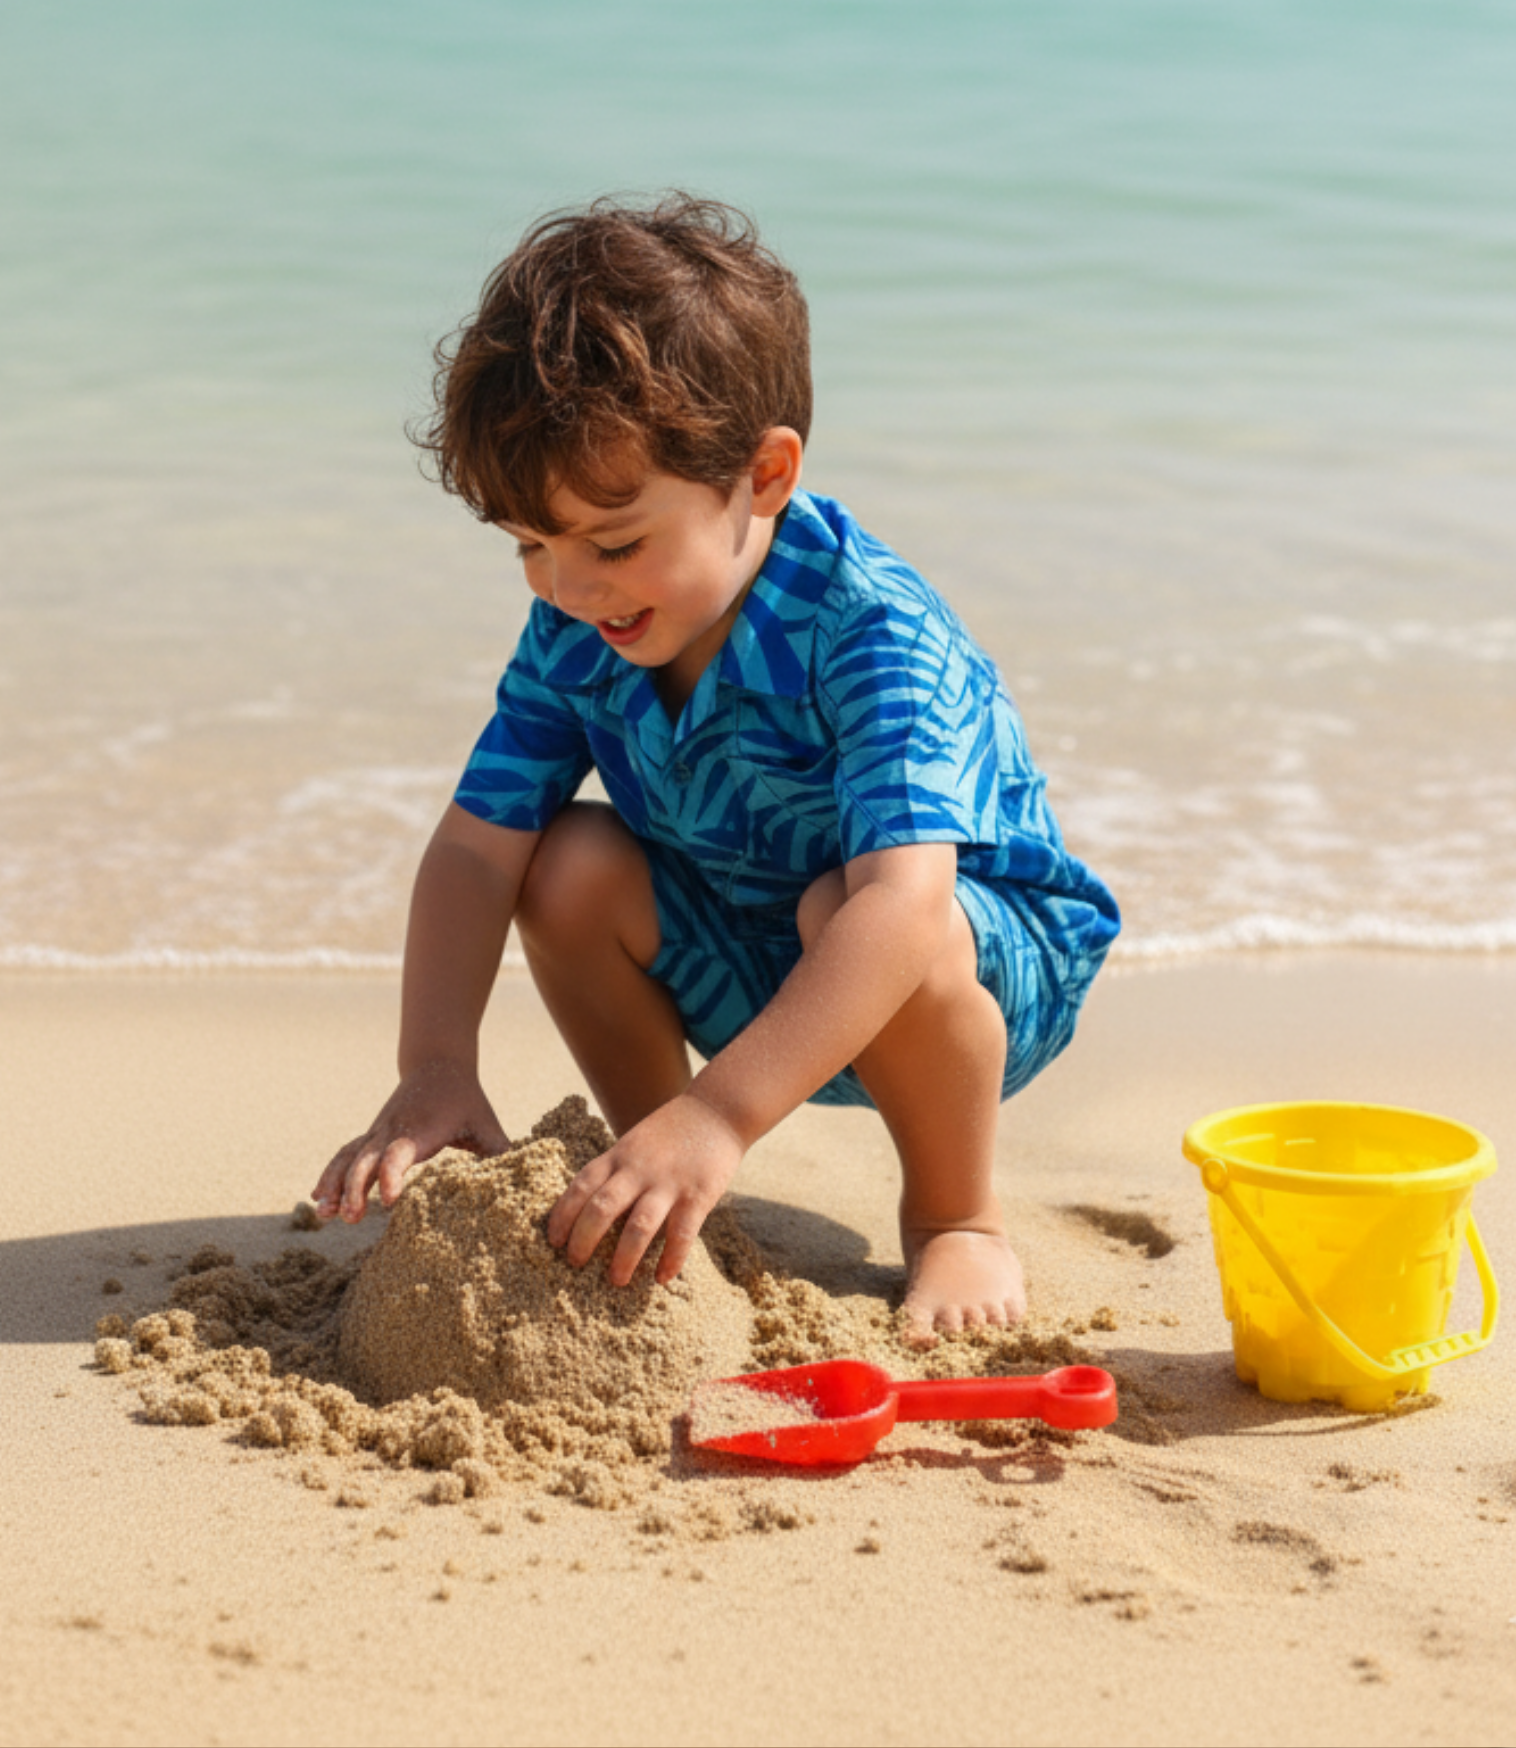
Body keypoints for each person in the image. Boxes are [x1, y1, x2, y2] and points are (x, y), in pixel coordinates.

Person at [313, 194, 1118, 1336]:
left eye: (614, 540)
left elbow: (902, 905)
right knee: (567, 861)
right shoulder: (581, 629)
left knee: (857, 896)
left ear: (766, 474)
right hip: (753, 950)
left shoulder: (870, 627)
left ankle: (955, 1215)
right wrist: (436, 1059)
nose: (570, 588)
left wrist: (728, 1111)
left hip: (970, 971)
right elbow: (474, 848)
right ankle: (664, 1170)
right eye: (530, 546)